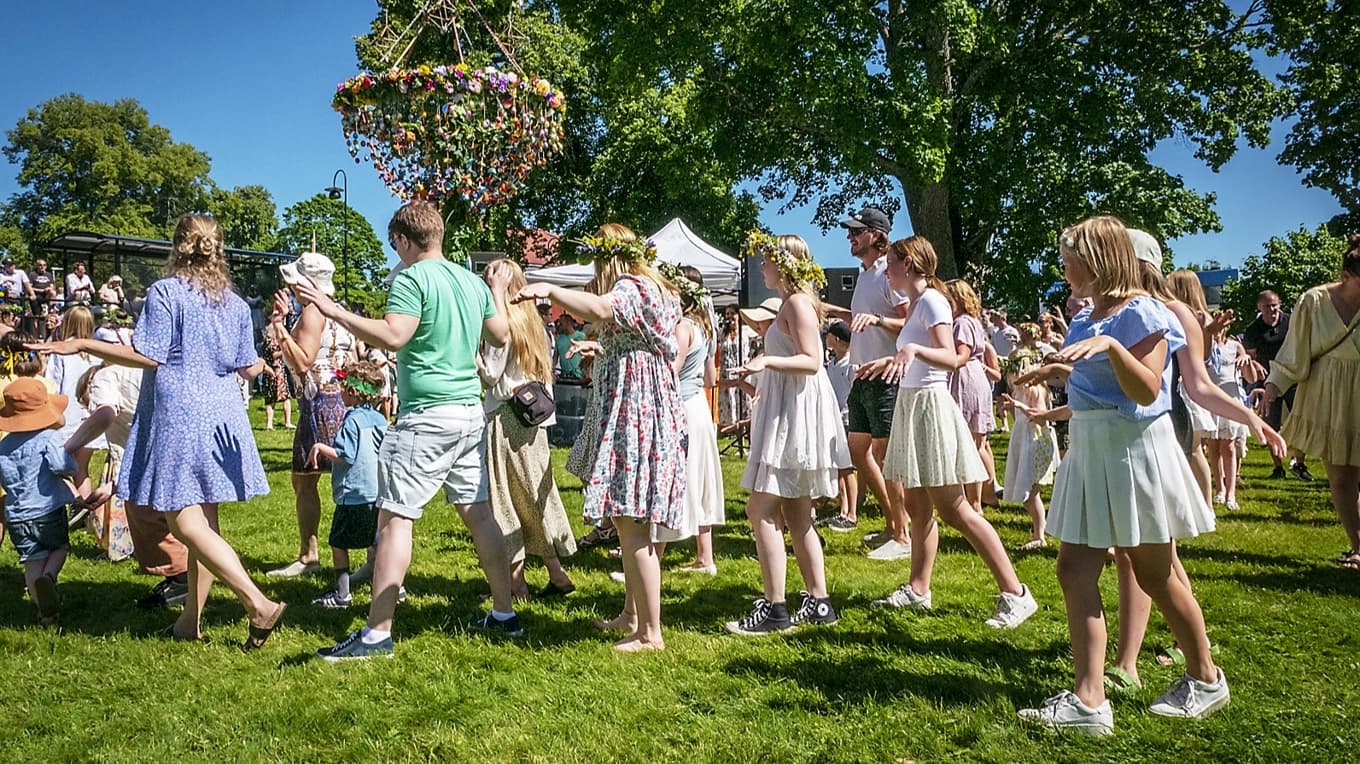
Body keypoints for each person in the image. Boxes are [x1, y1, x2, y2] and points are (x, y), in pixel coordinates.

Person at [37, 214, 285, 648]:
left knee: (184, 520)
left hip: (180, 410)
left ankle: (257, 603)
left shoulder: (166, 292)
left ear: (178, 247)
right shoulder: (235, 303)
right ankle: (189, 623)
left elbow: (147, 356)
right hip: (223, 412)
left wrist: (84, 344)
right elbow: (248, 368)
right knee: (205, 524)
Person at [1018, 216, 1226, 736]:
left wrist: (1111, 348)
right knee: (1073, 569)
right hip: (1091, 445)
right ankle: (1090, 701)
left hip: (1133, 450)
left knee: (1155, 574)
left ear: (1098, 258)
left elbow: (1146, 388)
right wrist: (1058, 371)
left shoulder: (1144, 311)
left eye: (1071, 258)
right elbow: (1099, 378)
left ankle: (1205, 677)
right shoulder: (1088, 315)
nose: (1064, 268)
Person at [309, 201, 515, 661]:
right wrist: (497, 291)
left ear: (404, 239)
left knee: (395, 519)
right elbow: (501, 334)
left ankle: (377, 634)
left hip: (427, 417)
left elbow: (395, 335)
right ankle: (505, 614)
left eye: (394, 244)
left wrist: (335, 311)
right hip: (468, 413)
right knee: (479, 514)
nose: (395, 253)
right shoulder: (469, 280)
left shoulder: (410, 279)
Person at [513, 224, 685, 652]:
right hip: (647, 406)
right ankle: (632, 614)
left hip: (635, 413)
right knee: (632, 523)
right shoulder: (657, 288)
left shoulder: (631, 285)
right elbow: (645, 345)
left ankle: (650, 634)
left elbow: (600, 308)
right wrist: (605, 352)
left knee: (631, 524)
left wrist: (550, 288)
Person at [859, 236, 1037, 629]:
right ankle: (919, 589)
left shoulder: (934, 301)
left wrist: (914, 353)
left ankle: (1016, 593)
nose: (886, 270)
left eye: (890, 262)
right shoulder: (919, 305)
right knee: (919, 508)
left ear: (910, 264)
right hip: (913, 405)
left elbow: (955, 358)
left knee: (956, 510)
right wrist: (889, 361)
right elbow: (916, 352)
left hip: (931, 408)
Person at [721, 233, 848, 635]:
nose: (762, 267)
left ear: (787, 263)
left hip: (795, 414)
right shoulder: (796, 303)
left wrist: (765, 360)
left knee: (759, 511)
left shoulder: (796, 303)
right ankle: (819, 602)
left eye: (768, 260)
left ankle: (776, 608)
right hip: (788, 406)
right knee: (796, 514)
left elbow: (812, 362)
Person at [1257, 234, 1360, 570]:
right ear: (1346, 276)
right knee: (1341, 477)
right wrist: (1272, 388)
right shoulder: (1314, 301)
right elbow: (1294, 352)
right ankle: (1358, 546)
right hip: (1327, 394)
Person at [477, 259, 577, 599]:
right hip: (533, 418)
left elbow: (490, 374)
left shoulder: (502, 323)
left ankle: (516, 584)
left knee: (504, 499)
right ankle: (557, 574)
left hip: (506, 417)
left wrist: (469, 354)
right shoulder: (535, 322)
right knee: (535, 499)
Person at [65, 358, 191, 609]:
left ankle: (183, 578)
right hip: (174, 444)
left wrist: (67, 448)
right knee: (176, 515)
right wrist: (113, 486)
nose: (89, 406)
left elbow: (104, 415)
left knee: (149, 516)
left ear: (90, 383)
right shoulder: (135, 370)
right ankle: (183, 577)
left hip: (152, 454)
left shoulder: (104, 378)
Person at [823, 206, 910, 554]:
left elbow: (910, 321)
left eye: (857, 232)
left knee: (885, 457)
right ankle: (893, 525)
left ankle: (903, 535)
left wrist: (876, 321)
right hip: (863, 375)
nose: (850, 237)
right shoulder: (864, 274)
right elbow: (863, 317)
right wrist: (833, 310)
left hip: (886, 376)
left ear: (876, 236)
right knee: (859, 453)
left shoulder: (889, 274)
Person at [266, 251, 356, 577]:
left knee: (304, 481)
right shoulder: (342, 312)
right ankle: (367, 553)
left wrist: (280, 327)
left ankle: (309, 555)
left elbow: (302, 361)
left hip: (317, 402)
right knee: (350, 480)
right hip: (343, 400)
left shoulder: (312, 312)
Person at [305, 360, 388, 608]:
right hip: (376, 491)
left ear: (352, 392)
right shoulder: (380, 419)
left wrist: (320, 447)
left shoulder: (351, 420)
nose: (339, 391)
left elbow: (346, 455)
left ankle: (342, 595)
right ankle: (394, 587)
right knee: (376, 540)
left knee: (338, 543)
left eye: (342, 387)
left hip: (354, 493)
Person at [0, 378, 81, 625]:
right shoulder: (48, 437)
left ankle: (45, 613)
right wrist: (72, 468)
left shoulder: (3, 446)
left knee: (31, 560)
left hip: (16, 515)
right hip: (47, 509)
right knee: (59, 548)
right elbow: (60, 464)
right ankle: (49, 576)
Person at [941, 279, 1001, 512]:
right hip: (974, 378)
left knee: (970, 445)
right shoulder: (973, 322)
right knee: (979, 443)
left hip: (964, 379)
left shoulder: (962, 323)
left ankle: (974, 503)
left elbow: (962, 354)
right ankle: (986, 494)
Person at [1244, 289, 1312, 480]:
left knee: (1299, 421)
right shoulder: (1253, 330)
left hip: (1293, 379)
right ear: (1259, 307)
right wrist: (1257, 381)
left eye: (1275, 305)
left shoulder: (1291, 322)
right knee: (1270, 425)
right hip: (1269, 383)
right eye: (1267, 306)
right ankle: (1278, 467)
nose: (1272, 309)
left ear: (1280, 304)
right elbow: (1251, 357)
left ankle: (1299, 464)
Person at [45, 305, 103, 505]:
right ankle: (86, 509)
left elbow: (52, 385)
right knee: (82, 468)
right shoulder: (97, 353)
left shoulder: (60, 352)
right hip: (92, 416)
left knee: (58, 465)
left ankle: (74, 504)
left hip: (66, 416)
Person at [821, 320, 859, 530]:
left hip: (846, 417)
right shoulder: (834, 362)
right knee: (838, 467)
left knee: (847, 467)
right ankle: (842, 507)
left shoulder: (851, 364)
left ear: (836, 339)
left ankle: (851, 512)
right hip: (834, 417)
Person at [259, 305, 294, 430]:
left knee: (278, 399)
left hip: (273, 372)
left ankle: (282, 423)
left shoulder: (267, 341)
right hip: (275, 371)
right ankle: (280, 423)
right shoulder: (271, 341)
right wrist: (285, 349)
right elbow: (275, 355)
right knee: (279, 398)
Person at [553, 314, 588, 381]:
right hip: (564, 374)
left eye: (561, 323)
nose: (558, 325)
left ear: (568, 323)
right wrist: (552, 369)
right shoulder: (559, 339)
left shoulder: (581, 336)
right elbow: (555, 356)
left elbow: (587, 355)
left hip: (579, 375)